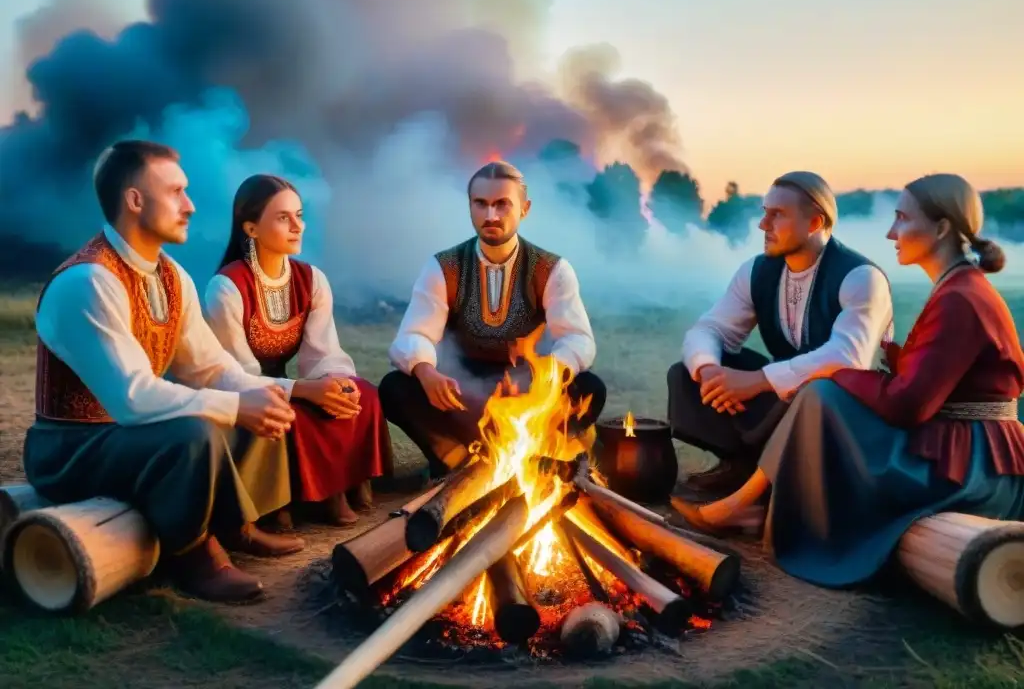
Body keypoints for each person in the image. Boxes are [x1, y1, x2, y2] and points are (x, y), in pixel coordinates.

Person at [673, 172, 1024, 587]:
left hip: (970, 465)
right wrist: (715, 370)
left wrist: (836, 375)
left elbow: (906, 402)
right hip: (951, 442)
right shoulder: (957, 289)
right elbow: (921, 384)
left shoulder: (957, 296)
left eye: (902, 219)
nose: (891, 231)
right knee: (720, 378)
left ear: (942, 228)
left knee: (821, 390)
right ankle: (745, 489)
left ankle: (744, 502)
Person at [25, 140, 307, 605]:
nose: (190, 205)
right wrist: (236, 407)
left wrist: (268, 395)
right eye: (176, 191)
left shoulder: (172, 276)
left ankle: (235, 525)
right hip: (70, 449)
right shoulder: (88, 281)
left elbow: (209, 367)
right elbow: (132, 397)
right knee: (194, 432)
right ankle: (195, 557)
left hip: (125, 437)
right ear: (135, 200)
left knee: (253, 408)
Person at [667, 171, 894, 496]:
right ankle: (743, 468)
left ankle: (783, 485)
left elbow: (848, 358)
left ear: (814, 223)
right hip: (786, 396)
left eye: (777, 215)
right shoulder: (757, 271)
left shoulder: (860, 277)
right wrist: (709, 371)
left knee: (813, 392)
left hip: (844, 410)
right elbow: (711, 328)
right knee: (685, 374)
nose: (763, 225)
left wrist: (757, 380)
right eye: (764, 213)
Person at [379, 160, 606, 478]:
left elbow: (578, 339)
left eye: (502, 204)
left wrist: (547, 377)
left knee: (588, 387)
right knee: (396, 387)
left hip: (529, 383)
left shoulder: (552, 269)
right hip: (461, 388)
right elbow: (414, 335)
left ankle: (530, 459)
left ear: (524, 209)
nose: (491, 216)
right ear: (469, 206)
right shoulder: (443, 267)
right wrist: (426, 371)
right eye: (481, 204)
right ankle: (455, 461)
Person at [204, 174, 393, 527]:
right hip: (242, 390)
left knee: (362, 394)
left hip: (287, 385)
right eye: (283, 218)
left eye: (299, 215)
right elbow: (236, 374)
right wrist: (305, 390)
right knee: (295, 411)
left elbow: (324, 352)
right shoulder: (226, 288)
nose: (297, 226)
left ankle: (345, 484)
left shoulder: (312, 279)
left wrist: (335, 383)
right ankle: (301, 499)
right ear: (251, 228)